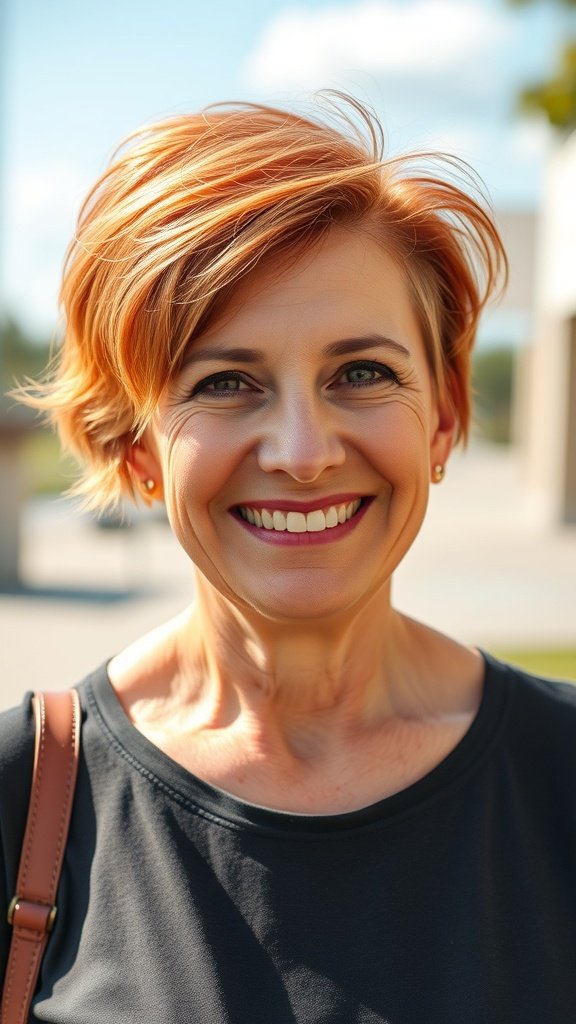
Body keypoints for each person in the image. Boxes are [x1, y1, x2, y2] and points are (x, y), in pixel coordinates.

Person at [1, 93, 575, 1024]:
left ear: (442, 417)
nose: (303, 454)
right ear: (138, 448)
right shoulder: (25, 802)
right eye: (226, 382)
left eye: (363, 373)